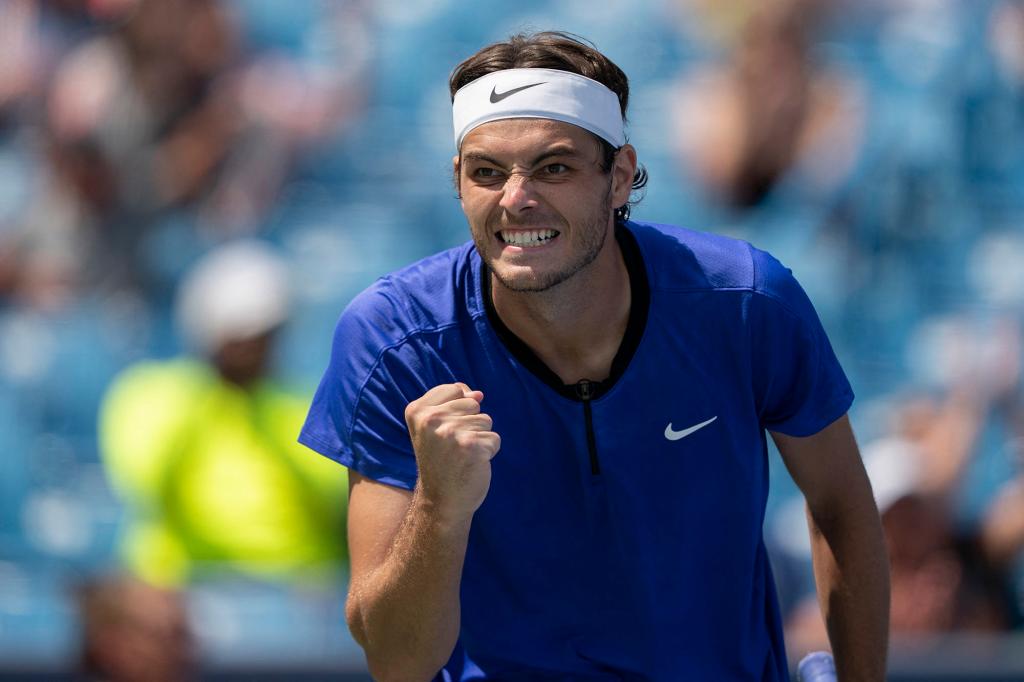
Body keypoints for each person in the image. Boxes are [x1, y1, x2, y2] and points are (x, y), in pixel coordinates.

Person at [300, 31, 889, 681]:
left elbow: (841, 505)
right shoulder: (389, 339)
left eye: (554, 167)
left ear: (621, 176)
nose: (515, 198)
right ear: (458, 182)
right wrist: (440, 506)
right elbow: (396, 661)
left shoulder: (748, 303)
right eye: (486, 172)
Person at [100, 240, 348, 588]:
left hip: (295, 595)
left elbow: (334, 498)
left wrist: (258, 412)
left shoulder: (303, 405)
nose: (251, 348)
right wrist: (211, 384)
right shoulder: (149, 392)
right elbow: (147, 484)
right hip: (181, 587)